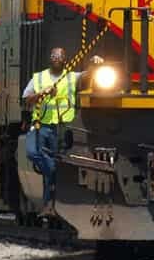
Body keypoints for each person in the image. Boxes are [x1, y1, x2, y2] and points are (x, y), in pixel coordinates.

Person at [22, 47, 103, 205]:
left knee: (53, 166)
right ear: (50, 58)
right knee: (32, 152)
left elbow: (86, 77)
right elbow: (26, 99)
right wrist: (43, 93)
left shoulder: (72, 77)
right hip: (41, 125)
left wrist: (94, 65)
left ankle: (48, 204)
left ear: (65, 59)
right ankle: (50, 168)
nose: (57, 58)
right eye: (54, 55)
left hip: (63, 128)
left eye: (60, 56)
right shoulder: (38, 78)